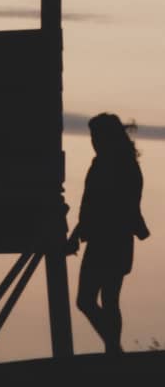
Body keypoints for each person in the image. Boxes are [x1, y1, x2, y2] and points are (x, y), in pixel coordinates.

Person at [67, 114, 150, 356]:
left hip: (110, 240)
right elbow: (93, 205)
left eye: (96, 136)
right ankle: (114, 348)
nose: (93, 141)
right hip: (113, 240)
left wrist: (76, 234)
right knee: (104, 299)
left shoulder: (113, 165)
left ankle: (113, 348)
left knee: (95, 299)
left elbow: (98, 205)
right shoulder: (118, 163)